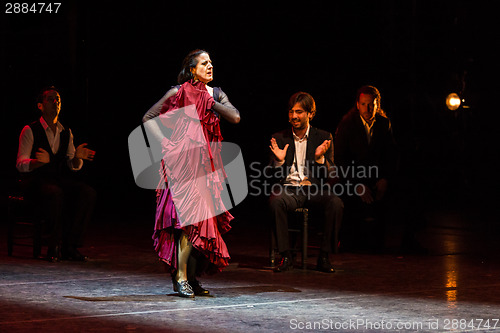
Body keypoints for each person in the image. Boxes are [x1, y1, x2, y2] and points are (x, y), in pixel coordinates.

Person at [142, 49, 240, 298]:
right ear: (192, 69)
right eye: (204, 63)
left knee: (203, 222)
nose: (210, 66)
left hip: (208, 165)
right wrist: (166, 145)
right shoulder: (178, 92)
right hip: (183, 164)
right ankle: (182, 277)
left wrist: (208, 100)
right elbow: (148, 117)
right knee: (190, 221)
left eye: (211, 62)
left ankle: (191, 278)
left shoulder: (216, 93)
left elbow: (235, 117)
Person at [16, 86, 96, 262]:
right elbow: (20, 164)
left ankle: (70, 246)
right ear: (40, 106)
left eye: (58, 99)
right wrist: (37, 162)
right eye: (50, 99)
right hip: (34, 181)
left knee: (86, 192)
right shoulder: (30, 130)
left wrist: (77, 158)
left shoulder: (65, 132)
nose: (55, 102)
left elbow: (72, 164)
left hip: (56, 180)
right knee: (55, 193)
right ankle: (52, 245)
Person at [268, 92, 343, 273]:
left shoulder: (324, 137)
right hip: (289, 190)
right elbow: (270, 176)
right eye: (292, 112)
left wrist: (319, 159)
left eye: (299, 112)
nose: (294, 116)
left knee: (336, 203)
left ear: (310, 114)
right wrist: (278, 162)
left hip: (313, 190)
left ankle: (324, 256)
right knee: (275, 200)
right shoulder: (279, 138)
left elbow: (332, 175)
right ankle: (285, 256)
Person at [334, 85, 397, 252]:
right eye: (363, 104)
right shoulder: (348, 124)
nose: (367, 108)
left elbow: (390, 155)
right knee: (349, 198)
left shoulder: (384, 123)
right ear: (357, 104)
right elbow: (340, 159)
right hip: (352, 176)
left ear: (377, 104)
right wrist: (357, 184)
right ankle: (348, 240)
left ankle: (382, 241)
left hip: (375, 176)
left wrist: (385, 178)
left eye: (371, 104)